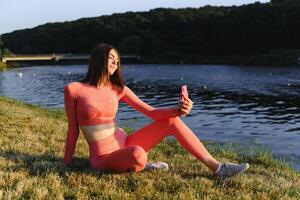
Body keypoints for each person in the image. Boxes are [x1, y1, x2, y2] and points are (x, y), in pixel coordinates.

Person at [63, 43, 249, 178]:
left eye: (117, 60)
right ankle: (142, 164)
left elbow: (151, 112)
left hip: (125, 141)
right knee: (138, 155)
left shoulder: (118, 90)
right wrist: (66, 162)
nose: (115, 63)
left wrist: (178, 110)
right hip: (103, 157)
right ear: (98, 59)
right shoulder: (74, 89)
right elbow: (73, 130)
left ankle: (218, 168)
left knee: (171, 122)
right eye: (111, 58)